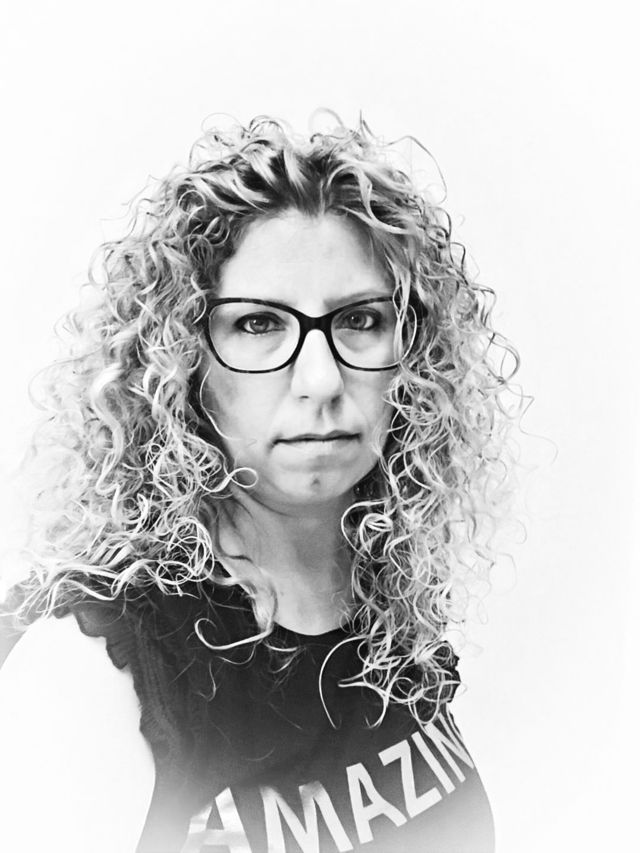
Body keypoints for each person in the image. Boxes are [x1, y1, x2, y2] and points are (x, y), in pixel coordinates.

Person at [0, 115, 519, 853]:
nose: (322, 379)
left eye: (361, 319)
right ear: (181, 364)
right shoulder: (94, 669)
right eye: (257, 325)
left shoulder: (389, 615)